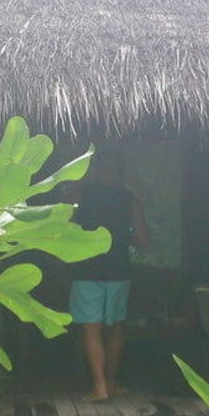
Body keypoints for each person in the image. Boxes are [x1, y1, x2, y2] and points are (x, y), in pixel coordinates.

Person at [68, 150, 148, 401]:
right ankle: (111, 383)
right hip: (118, 271)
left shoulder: (81, 195)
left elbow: (66, 227)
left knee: (91, 330)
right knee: (115, 329)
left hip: (86, 270)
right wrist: (124, 238)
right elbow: (142, 239)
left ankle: (99, 386)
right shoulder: (130, 200)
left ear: (96, 170)